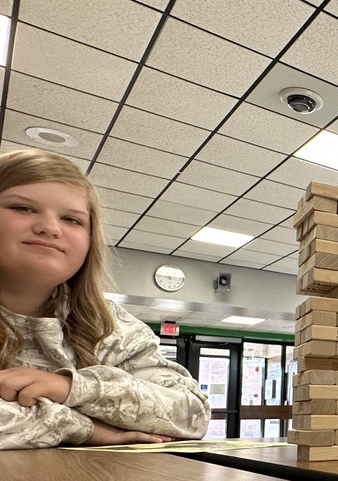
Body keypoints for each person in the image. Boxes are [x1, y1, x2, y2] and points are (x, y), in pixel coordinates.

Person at [0, 148, 210, 450]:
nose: (50, 227)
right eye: (22, 208)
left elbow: (193, 414)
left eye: (71, 219)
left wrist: (73, 388)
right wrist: (83, 428)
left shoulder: (111, 326)